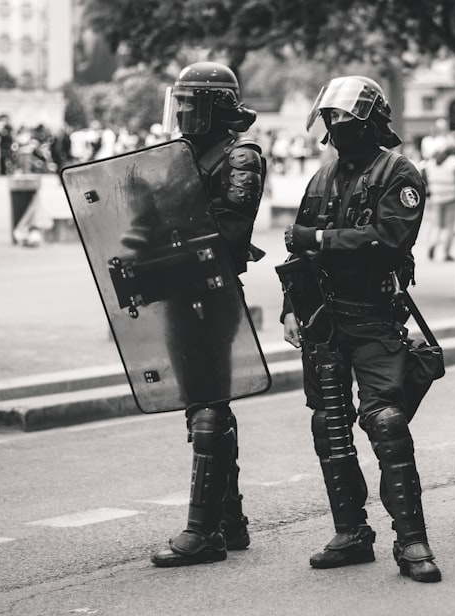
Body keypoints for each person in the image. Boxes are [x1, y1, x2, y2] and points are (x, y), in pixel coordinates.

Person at [279, 75, 440, 583]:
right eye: (331, 119)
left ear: (370, 122)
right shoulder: (322, 177)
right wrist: (290, 306)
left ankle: (412, 541)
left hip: (373, 316)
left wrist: (321, 237)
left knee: (386, 422)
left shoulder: (400, 172)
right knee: (328, 427)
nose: (336, 127)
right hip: (324, 319)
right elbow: (298, 252)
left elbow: (389, 240)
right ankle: (351, 533)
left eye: (345, 118)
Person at [150, 61, 266, 567]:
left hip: (213, 294)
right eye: (180, 102)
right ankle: (230, 520)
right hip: (180, 291)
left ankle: (203, 533)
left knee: (208, 407)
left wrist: (171, 240)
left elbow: (230, 232)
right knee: (201, 407)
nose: (182, 112)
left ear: (216, 106)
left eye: (190, 103)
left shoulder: (240, 157)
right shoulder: (182, 156)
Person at [422, 144, 455, 261]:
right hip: (451, 196)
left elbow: (423, 175)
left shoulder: (430, 162)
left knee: (436, 225)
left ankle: (432, 244)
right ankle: (445, 252)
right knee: (449, 227)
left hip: (436, 196)